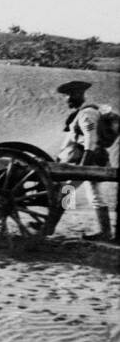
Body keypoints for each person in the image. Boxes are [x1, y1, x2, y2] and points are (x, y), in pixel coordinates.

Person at [52, 80, 116, 241]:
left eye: (67, 96)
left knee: (67, 190)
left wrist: (83, 167)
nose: (66, 100)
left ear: (76, 95)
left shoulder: (87, 114)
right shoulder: (81, 113)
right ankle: (105, 232)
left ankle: (48, 226)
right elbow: (73, 140)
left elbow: (90, 139)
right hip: (89, 160)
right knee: (92, 194)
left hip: (90, 160)